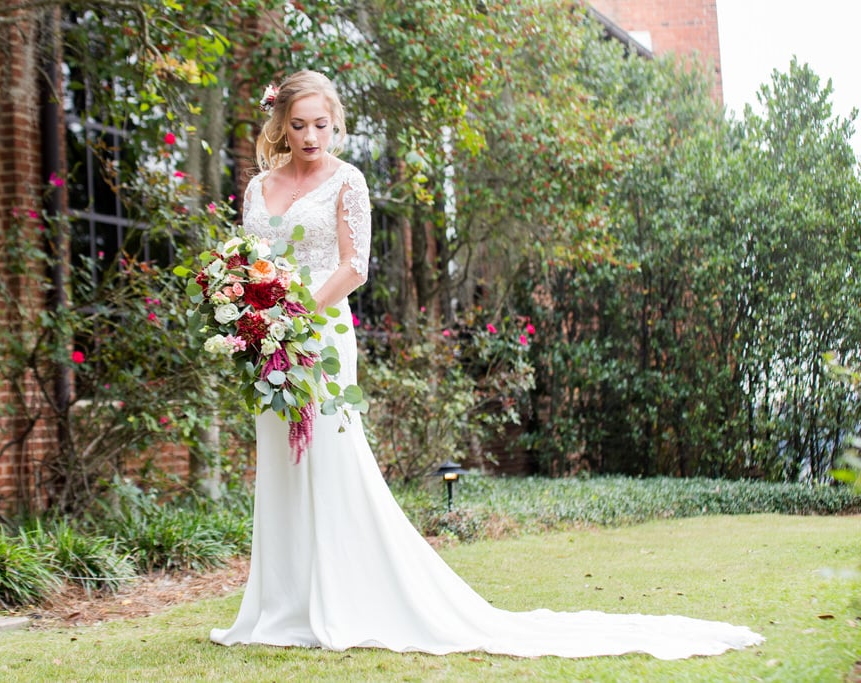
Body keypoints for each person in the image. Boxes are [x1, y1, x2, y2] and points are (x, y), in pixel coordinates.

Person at [210, 69, 763, 659]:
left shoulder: (348, 181)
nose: (311, 136)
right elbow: (252, 262)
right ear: (281, 123)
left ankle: (336, 599)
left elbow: (355, 267)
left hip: (319, 335)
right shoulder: (258, 189)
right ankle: (281, 608)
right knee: (280, 457)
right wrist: (250, 313)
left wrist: (295, 312)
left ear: (336, 123)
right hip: (268, 342)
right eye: (299, 125)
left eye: (322, 124)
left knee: (327, 455)